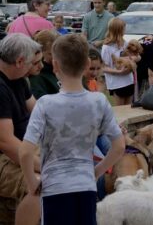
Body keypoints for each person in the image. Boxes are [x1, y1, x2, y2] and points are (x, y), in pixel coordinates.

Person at [19, 34, 125, 225]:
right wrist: (96, 171)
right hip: (86, 186)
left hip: (55, 188)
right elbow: (119, 146)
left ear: (55, 65)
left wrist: (31, 181)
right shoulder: (99, 101)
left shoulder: (45, 104)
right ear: (86, 64)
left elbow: (25, 152)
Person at [0, 34, 42, 225]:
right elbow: (6, 143)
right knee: (44, 186)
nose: (35, 68)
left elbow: (40, 112)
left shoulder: (18, 79)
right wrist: (41, 165)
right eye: (32, 63)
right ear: (19, 61)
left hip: (23, 149)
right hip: (5, 157)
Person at [101, 17, 134, 106]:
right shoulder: (107, 47)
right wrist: (118, 71)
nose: (125, 30)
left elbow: (132, 58)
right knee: (120, 112)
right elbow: (103, 67)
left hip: (129, 81)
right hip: (117, 84)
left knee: (129, 110)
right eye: (123, 28)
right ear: (118, 30)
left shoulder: (125, 43)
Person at [29, 29, 60, 99]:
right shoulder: (37, 74)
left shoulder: (63, 68)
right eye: (51, 54)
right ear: (40, 52)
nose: (57, 57)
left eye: (60, 52)